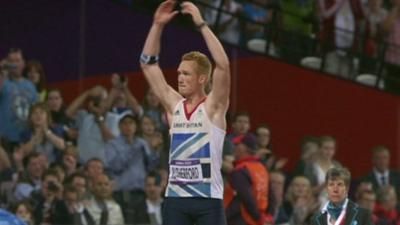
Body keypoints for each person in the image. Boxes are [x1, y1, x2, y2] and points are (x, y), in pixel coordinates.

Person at [140, 1, 230, 224]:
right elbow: (148, 65)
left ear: (202, 79)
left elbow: (223, 65)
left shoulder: (214, 107)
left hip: (208, 201)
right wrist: (157, 26)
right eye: (179, 73)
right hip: (175, 200)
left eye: (187, 74)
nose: (180, 77)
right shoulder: (174, 106)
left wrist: (201, 25)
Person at [224, 134, 273, 225]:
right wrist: (268, 216)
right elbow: (271, 196)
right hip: (259, 218)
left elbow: (246, 198)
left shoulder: (240, 171)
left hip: (241, 219)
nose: (234, 147)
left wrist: (259, 218)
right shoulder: (262, 168)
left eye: (238, 144)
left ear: (246, 149)